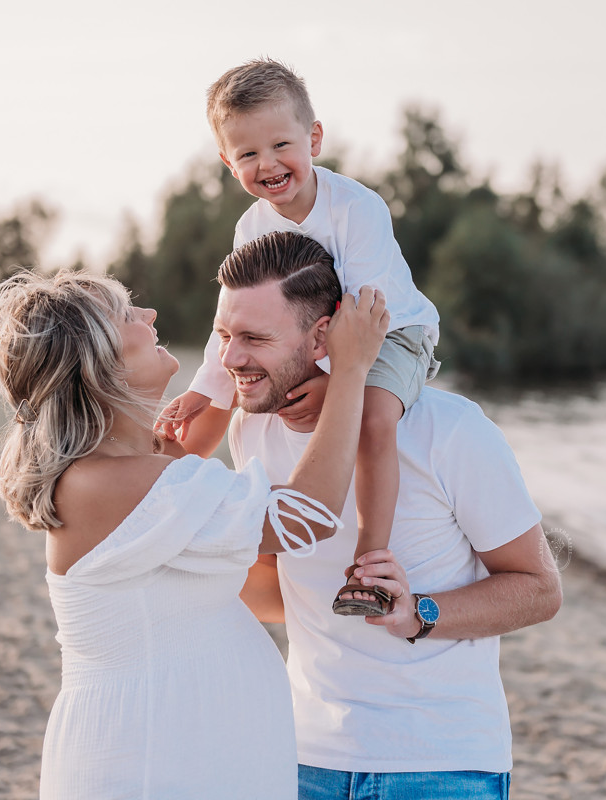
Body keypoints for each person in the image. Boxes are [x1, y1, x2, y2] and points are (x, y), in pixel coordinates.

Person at [0, 262, 389, 799]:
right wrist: (352, 371)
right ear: (100, 360)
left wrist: (235, 351)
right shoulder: (107, 483)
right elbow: (306, 515)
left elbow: (202, 433)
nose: (150, 313)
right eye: (128, 313)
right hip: (153, 760)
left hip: (175, 751)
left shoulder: (127, 472)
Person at [211, 232, 564, 800]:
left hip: (440, 762)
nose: (230, 358)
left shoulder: (449, 429)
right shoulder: (251, 431)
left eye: (254, 338)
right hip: (304, 757)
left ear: (324, 335)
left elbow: (541, 589)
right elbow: (285, 596)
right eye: (225, 335)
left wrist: (419, 612)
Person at [157, 58, 441, 618]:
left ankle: (370, 562)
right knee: (231, 403)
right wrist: (203, 388)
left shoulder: (357, 209)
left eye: (281, 144)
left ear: (314, 138)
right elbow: (233, 323)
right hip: (314, 343)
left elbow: (364, 315)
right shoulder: (251, 227)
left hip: (391, 333)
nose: (267, 164)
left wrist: (336, 388)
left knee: (373, 420)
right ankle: (167, 492)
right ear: (226, 160)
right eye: (247, 154)